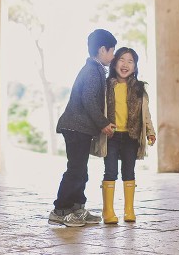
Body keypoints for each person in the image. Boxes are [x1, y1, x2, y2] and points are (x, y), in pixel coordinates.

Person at [49, 29, 117, 227]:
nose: (113, 57)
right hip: (75, 127)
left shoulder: (95, 69)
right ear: (102, 49)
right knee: (75, 170)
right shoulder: (92, 70)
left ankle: (77, 208)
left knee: (81, 170)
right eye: (112, 51)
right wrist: (103, 123)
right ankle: (60, 210)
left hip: (81, 128)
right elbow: (88, 100)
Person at [99, 47, 156, 224]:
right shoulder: (106, 86)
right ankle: (108, 211)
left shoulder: (139, 88)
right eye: (122, 60)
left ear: (135, 66)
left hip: (131, 136)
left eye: (130, 61)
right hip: (111, 137)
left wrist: (150, 131)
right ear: (115, 63)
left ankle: (129, 210)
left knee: (129, 171)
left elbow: (145, 113)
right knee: (110, 171)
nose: (125, 64)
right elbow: (99, 110)